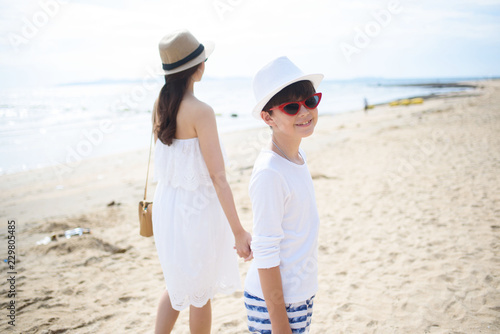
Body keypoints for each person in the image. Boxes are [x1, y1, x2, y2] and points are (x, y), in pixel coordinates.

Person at [151, 29, 252, 334]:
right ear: (198, 68)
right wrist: (239, 231)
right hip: (195, 210)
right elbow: (218, 178)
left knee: (177, 284)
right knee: (200, 293)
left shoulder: (160, 106)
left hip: (167, 206)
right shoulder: (202, 112)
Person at [244, 56, 323, 333]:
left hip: (299, 295)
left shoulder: (297, 155)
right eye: (291, 107)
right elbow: (265, 252)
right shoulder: (270, 173)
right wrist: (279, 326)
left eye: (310, 101)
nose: (304, 112)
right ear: (268, 117)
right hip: (276, 305)